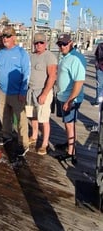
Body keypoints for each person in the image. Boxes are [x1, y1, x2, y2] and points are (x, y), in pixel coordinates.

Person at [0, 26, 30, 157]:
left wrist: (23, 91)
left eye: (7, 36)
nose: (5, 39)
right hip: (2, 92)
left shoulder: (21, 53)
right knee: (4, 116)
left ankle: (23, 143)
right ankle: (7, 135)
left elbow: (26, 73)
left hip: (17, 93)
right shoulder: (0, 54)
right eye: (3, 36)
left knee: (21, 119)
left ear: (13, 37)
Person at [55, 34, 87, 164]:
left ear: (71, 43)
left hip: (71, 99)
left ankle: (71, 152)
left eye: (65, 44)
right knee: (67, 123)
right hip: (62, 96)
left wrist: (70, 100)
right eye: (60, 44)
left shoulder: (75, 58)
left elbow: (79, 82)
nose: (62, 46)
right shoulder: (64, 56)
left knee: (70, 124)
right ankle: (69, 143)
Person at [27, 32, 57, 155]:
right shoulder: (31, 56)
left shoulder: (49, 56)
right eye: (36, 43)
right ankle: (34, 136)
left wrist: (44, 94)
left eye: (41, 42)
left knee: (44, 119)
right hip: (31, 90)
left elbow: (52, 76)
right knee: (33, 116)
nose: (38, 45)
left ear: (46, 43)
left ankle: (44, 143)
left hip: (43, 91)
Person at [91, 42, 103, 107]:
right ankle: (98, 101)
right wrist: (97, 66)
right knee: (99, 85)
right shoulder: (100, 45)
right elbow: (96, 55)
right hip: (100, 68)